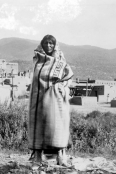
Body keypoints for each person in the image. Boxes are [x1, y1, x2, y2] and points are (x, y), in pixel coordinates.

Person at [28, 35, 74, 166]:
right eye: (46, 43)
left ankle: (61, 155)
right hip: (38, 99)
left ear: (55, 45)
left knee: (58, 126)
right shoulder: (37, 60)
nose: (48, 46)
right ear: (42, 45)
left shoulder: (60, 61)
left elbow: (68, 77)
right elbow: (36, 80)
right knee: (38, 126)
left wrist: (62, 87)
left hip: (56, 100)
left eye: (51, 43)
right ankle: (37, 156)